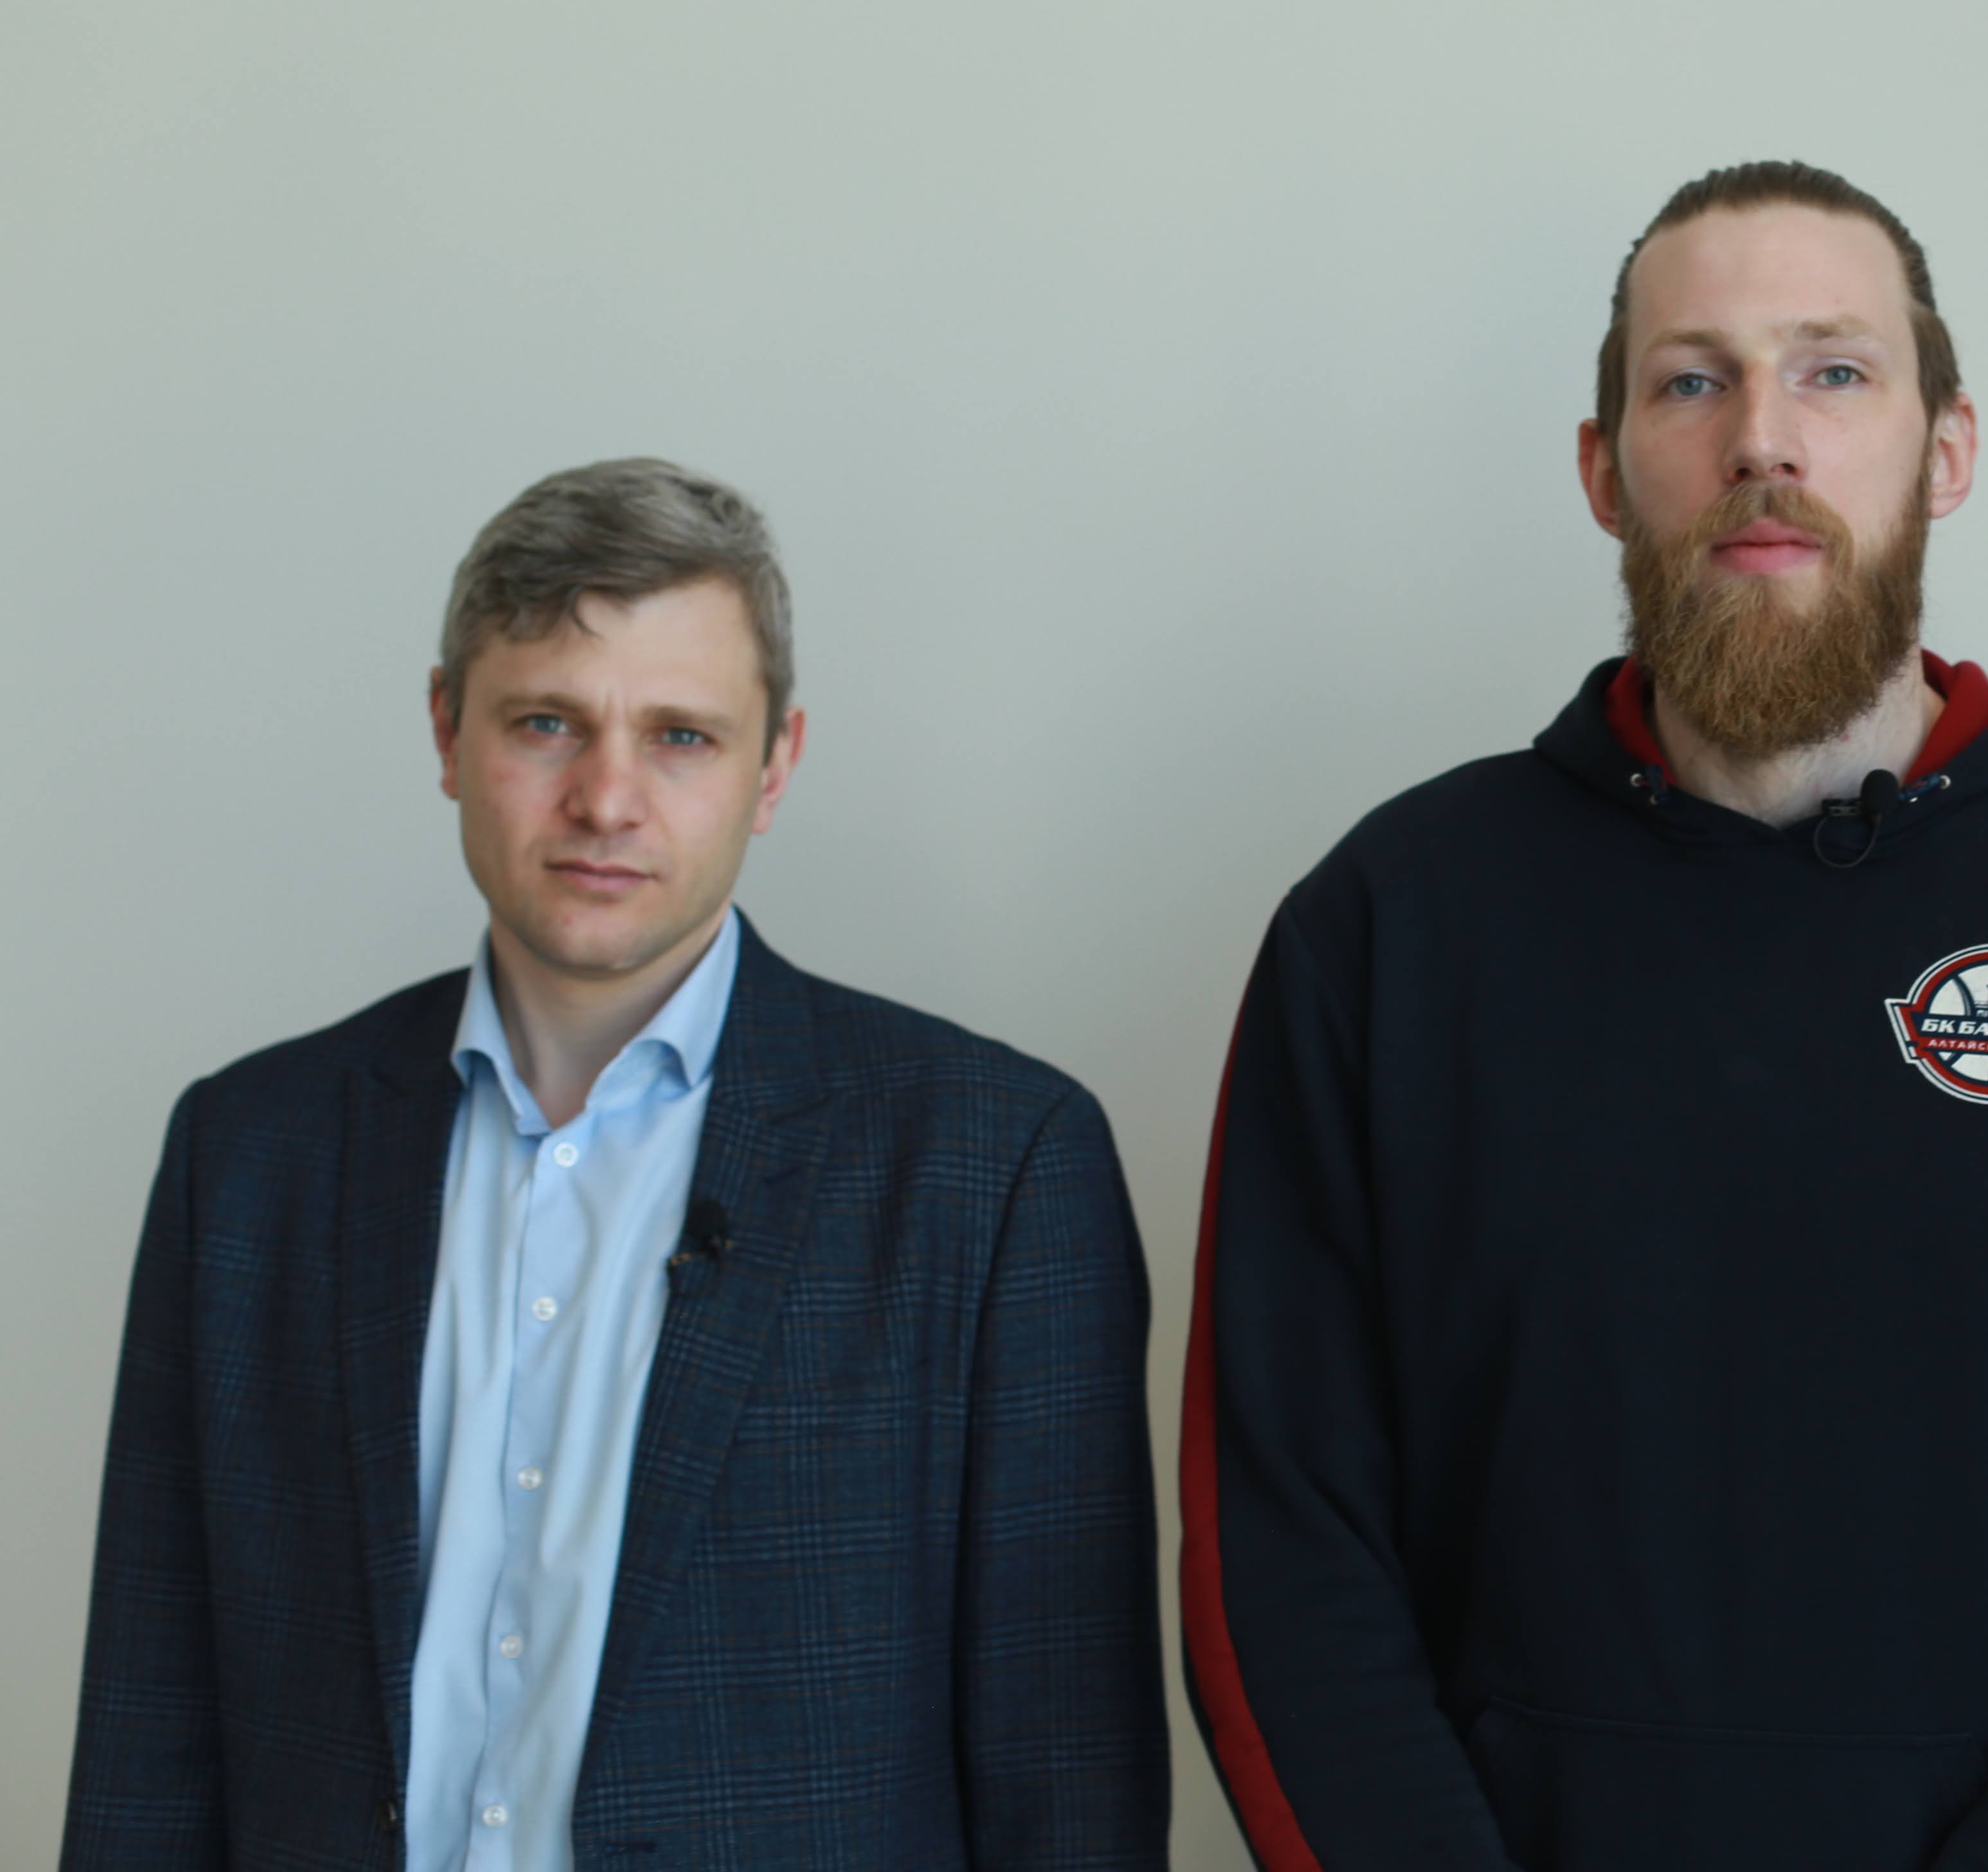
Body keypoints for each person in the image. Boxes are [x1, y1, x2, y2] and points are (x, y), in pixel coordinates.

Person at [1180, 163, 1988, 1872]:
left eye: (1834, 370)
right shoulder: (1390, 924)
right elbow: (1283, 1540)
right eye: (1692, 380)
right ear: (1604, 471)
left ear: (1943, 449)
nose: (1763, 439)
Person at [64, 461, 1166, 1870]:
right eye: (547, 723)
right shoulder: (246, 1155)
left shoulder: (994, 1166)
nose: (605, 798)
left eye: (681, 736)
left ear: (775, 765)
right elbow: (150, 1742)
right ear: (446, 729)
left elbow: (1065, 1788)